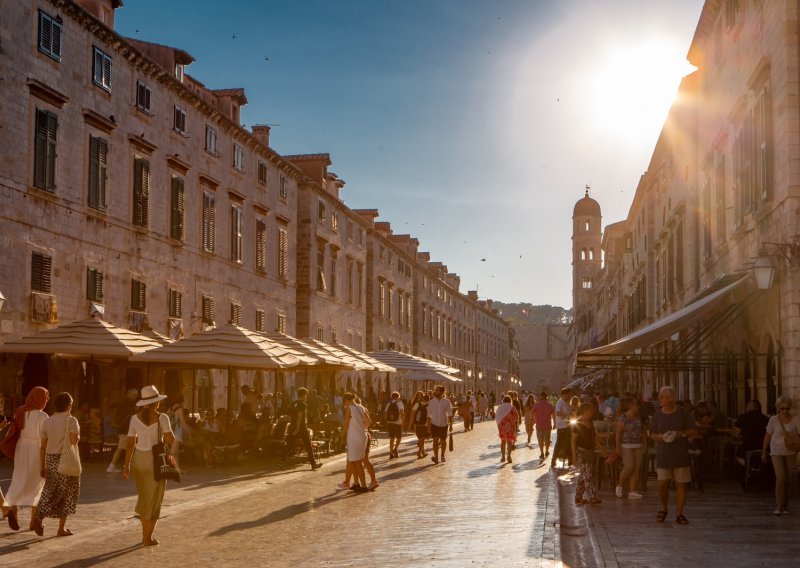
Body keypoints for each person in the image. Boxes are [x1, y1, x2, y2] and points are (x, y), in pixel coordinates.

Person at [122, 385, 174, 546]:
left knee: (144, 497)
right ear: (157, 402)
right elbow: (170, 439)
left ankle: (145, 536)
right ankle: (147, 538)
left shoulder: (134, 418)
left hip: (138, 460)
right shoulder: (162, 418)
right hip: (155, 460)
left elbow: (130, 443)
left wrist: (126, 465)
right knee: (155, 498)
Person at [33, 392, 80, 537]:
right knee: (67, 493)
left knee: (50, 490)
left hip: (51, 459)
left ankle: (38, 517)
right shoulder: (71, 420)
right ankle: (61, 529)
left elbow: (43, 446)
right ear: (69, 405)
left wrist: (42, 465)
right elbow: (73, 441)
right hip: (66, 459)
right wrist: (78, 435)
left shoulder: (48, 421)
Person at [650, 386, 696, 525]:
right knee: (662, 484)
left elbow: (693, 430)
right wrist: (658, 437)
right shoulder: (657, 416)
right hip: (664, 454)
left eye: (662, 397)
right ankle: (663, 508)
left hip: (680, 454)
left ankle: (679, 513)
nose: (660, 399)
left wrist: (680, 434)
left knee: (681, 484)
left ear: (671, 398)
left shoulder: (683, 413)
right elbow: (652, 433)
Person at [5, 386, 49, 532]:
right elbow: (44, 438)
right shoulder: (43, 416)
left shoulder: (20, 411)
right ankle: (33, 521)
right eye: (46, 397)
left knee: (19, 479)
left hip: (21, 447)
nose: (47, 400)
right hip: (36, 448)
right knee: (37, 483)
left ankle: (13, 511)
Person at [762, 395, 800, 515]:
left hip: (791, 452)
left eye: (787, 408)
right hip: (776, 451)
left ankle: (785, 505)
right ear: (778, 408)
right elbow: (768, 435)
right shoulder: (773, 419)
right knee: (781, 477)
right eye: (782, 408)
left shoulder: (796, 419)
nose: (784, 411)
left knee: (788, 478)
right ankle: (779, 506)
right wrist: (764, 451)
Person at [280, 387, 323, 470]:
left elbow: (290, 415)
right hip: (301, 428)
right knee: (308, 446)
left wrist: (294, 427)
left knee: (289, 445)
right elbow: (300, 416)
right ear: (304, 395)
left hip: (293, 426)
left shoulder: (294, 403)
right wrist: (298, 428)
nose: (306, 397)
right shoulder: (303, 404)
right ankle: (313, 463)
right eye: (306, 395)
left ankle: (281, 461)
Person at [615, 396, 646, 499]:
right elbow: (618, 433)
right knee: (629, 466)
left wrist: (644, 444)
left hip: (638, 445)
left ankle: (632, 491)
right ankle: (620, 485)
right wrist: (618, 447)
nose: (638, 407)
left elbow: (643, 431)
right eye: (637, 405)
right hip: (626, 445)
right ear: (631, 406)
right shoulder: (623, 417)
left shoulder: (639, 417)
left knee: (636, 468)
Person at [572, 401, 602, 505]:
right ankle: (592, 496)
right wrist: (574, 456)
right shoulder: (578, 423)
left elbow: (594, 438)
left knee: (583, 476)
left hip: (590, 452)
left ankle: (578, 496)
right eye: (591, 410)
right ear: (585, 411)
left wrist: (602, 449)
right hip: (581, 452)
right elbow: (573, 441)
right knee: (588, 475)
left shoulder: (591, 423)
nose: (592, 412)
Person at [339, 392, 369, 492]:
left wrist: (341, 435)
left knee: (357, 462)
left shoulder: (349, 408)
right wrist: (361, 428)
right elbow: (369, 422)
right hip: (362, 436)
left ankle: (364, 486)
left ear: (346, 400)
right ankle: (356, 483)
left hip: (353, 437)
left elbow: (346, 423)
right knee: (354, 461)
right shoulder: (361, 407)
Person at [107, 388, 139, 473]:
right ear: (129, 394)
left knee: (130, 446)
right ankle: (111, 466)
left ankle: (129, 463)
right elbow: (132, 416)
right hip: (126, 429)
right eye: (134, 395)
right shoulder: (128, 403)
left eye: (136, 396)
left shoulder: (121, 402)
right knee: (121, 448)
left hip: (123, 429)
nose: (135, 397)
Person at [733, 399, 768, 465]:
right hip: (763, 447)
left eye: (748, 405)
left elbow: (736, 433)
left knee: (737, 455)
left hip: (747, 446)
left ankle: (748, 466)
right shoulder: (765, 418)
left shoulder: (742, 416)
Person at [427, 385, 453, 464]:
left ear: (442, 392)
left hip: (444, 424)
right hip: (434, 423)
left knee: (443, 441)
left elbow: (449, 414)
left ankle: (442, 455)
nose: (436, 392)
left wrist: (451, 425)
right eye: (436, 390)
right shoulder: (431, 402)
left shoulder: (446, 401)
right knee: (435, 441)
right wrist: (428, 427)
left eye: (438, 390)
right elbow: (429, 415)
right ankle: (436, 456)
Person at [167, 393, 191, 474]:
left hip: (170, 431)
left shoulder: (170, 409)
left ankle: (177, 469)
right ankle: (168, 467)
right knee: (173, 452)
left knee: (176, 452)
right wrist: (188, 430)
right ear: (181, 401)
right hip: (177, 432)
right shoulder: (179, 409)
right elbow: (182, 422)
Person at [552, 388, 573, 468]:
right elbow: (557, 412)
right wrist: (567, 413)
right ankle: (554, 460)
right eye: (568, 394)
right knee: (559, 443)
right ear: (564, 394)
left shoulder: (566, 402)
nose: (569, 396)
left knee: (568, 443)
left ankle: (570, 462)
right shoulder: (559, 402)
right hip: (561, 427)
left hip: (567, 426)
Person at [496, 395, 519, 463]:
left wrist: (499, 426)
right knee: (509, 442)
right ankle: (509, 456)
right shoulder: (512, 408)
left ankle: (503, 457)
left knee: (503, 442)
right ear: (510, 401)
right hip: (510, 427)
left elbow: (497, 417)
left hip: (502, 427)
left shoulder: (499, 408)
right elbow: (516, 418)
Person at [534, 391, 556, 460]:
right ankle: (546, 451)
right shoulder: (550, 405)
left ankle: (541, 453)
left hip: (539, 425)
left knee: (540, 440)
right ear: (546, 397)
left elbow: (532, 413)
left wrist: (535, 419)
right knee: (547, 440)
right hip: (547, 425)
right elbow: (554, 415)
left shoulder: (536, 405)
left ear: (540, 397)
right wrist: (554, 424)